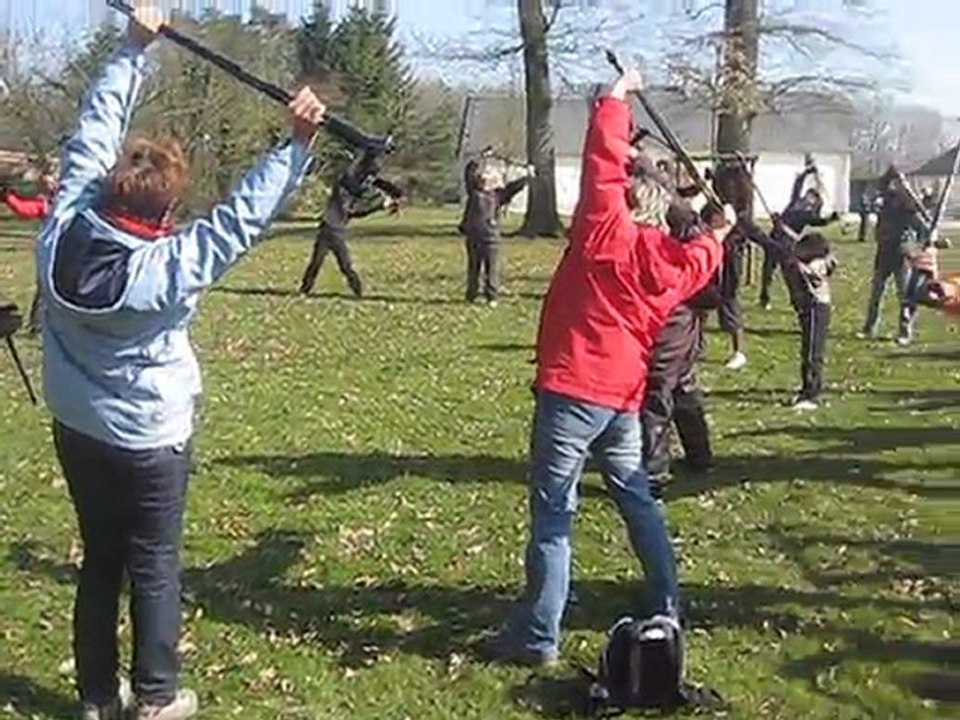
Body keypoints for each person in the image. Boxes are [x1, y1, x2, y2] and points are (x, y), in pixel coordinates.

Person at [35, 5, 326, 719]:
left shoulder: (63, 224)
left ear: (107, 188)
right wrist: (295, 146)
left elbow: (90, 133)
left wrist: (132, 50)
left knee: (101, 562)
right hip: (148, 439)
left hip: (76, 423)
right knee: (153, 564)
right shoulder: (170, 264)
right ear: (165, 214)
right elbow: (238, 220)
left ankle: (99, 700)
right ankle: (157, 699)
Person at [482, 66, 732, 669]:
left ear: (624, 206)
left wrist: (615, 97)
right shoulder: (674, 261)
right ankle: (668, 603)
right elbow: (703, 256)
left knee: (552, 516)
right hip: (622, 397)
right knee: (638, 499)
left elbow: (601, 160)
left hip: (573, 392)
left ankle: (539, 637)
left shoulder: (604, 234)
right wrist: (720, 233)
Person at [641, 206, 723, 498]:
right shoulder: (676, 259)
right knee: (681, 395)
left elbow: (711, 296)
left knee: (659, 402)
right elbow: (711, 296)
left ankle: (655, 472)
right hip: (676, 339)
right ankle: (697, 459)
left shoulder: (664, 256)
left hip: (667, 342)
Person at [743, 222, 838, 409]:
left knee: (812, 353)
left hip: (816, 309)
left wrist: (758, 234)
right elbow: (795, 242)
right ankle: (807, 389)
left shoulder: (814, 267)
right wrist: (782, 227)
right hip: (812, 308)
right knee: (807, 351)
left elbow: (790, 254)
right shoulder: (817, 257)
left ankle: (812, 395)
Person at [298, 150, 402, 298]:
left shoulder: (350, 195)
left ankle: (357, 292)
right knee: (317, 263)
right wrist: (385, 201)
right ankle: (305, 290)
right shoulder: (345, 186)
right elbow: (361, 176)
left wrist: (385, 202)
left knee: (344, 266)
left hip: (336, 232)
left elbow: (362, 205)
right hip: (326, 230)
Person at [860, 166, 929, 345]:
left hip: (901, 255)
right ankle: (869, 328)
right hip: (883, 254)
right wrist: (892, 174)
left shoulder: (908, 208)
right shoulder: (886, 202)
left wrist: (917, 247)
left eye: (897, 184)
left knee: (904, 296)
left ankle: (905, 331)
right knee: (876, 293)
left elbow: (923, 228)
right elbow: (880, 188)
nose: (893, 186)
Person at [758, 163, 839, 309]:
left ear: (816, 202)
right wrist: (807, 172)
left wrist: (832, 218)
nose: (808, 197)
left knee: (789, 273)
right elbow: (798, 184)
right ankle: (765, 297)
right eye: (808, 194)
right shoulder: (794, 202)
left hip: (788, 242)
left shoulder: (809, 215)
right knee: (768, 269)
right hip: (775, 236)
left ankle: (795, 299)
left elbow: (820, 221)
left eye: (812, 197)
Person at [461, 163, 534, 306]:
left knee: (491, 268)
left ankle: (491, 296)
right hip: (474, 237)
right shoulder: (474, 192)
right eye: (482, 178)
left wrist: (527, 177)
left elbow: (514, 187)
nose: (484, 180)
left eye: (487, 179)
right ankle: (471, 294)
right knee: (474, 268)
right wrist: (481, 159)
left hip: (491, 239)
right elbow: (469, 172)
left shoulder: (498, 196)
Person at [2, 174, 57, 333]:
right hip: (50, 251)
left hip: (71, 251)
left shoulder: (72, 200)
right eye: (46, 184)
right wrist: (8, 197)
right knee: (45, 288)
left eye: (51, 182)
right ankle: (37, 324)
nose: (50, 186)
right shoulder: (44, 204)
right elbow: (25, 210)